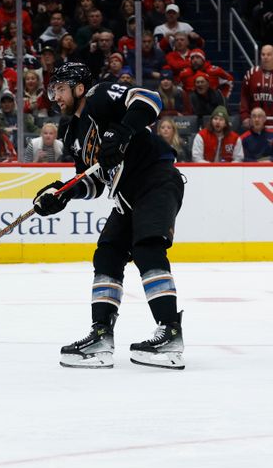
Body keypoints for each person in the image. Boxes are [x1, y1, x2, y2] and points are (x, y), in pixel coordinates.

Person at [35, 62, 185, 370]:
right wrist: (63, 194)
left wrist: (122, 131)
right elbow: (93, 180)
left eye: (60, 89)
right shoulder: (70, 131)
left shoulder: (99, 96)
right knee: (107, 255)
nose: (55, 96)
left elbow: (149, 99)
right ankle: (101, 335)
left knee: (147, 247)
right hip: (126, 195)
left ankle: (170, 332)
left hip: (155, 178)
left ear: (78, 87)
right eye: (52, 91)